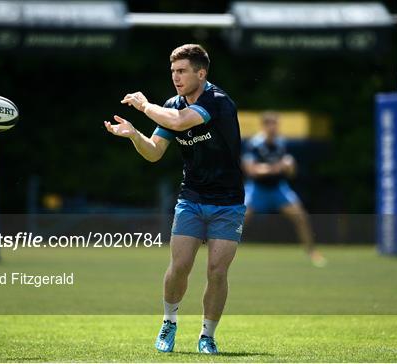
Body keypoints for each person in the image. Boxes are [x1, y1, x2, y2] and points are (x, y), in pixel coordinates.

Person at [104, 44, 246, 354]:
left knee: (217, 272)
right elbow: (154, 151)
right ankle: (169, 322)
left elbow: (180, 122)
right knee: (180, 265)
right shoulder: (172, 103)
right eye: (173, 72)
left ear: (201, 72)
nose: (176, 77)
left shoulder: (218, 102)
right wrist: (134, 135)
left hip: (228, 201)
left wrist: (144, 106)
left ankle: (207, 335)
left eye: (182, 71)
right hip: (191, 198)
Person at [242, 111, 327, 267]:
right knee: (239, 220)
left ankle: (311, 252)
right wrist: (277, 167)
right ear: (264, 126)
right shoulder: (255, 144)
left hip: (278, 188)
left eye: (276, 124)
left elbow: (291, 173)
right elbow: (251, 170)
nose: (274, 128)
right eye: (271, 124)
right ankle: (222, 252)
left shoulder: (281, 143)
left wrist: (290, 166)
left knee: (301, 217)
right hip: (257, 189)